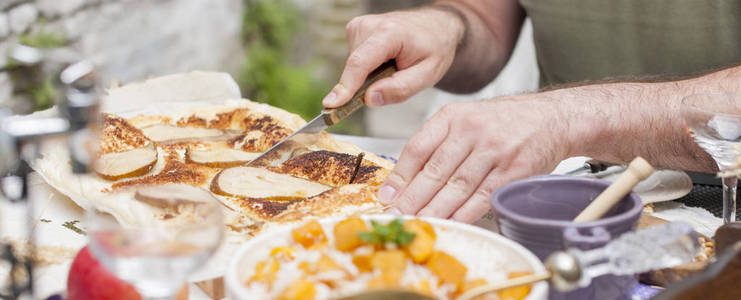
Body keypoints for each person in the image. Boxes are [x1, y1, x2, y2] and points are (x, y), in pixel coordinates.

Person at [321, 0, 741, 223]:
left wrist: (567, 118)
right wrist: (448, 26)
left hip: (724, 205)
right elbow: (485, 17)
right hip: (560, 197)